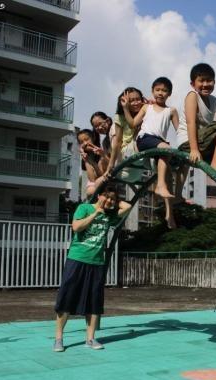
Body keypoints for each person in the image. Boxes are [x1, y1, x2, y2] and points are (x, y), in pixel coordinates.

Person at [53, 186, 132, 352]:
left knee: (94, 301)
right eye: (107, 197)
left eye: (113, 199)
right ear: (99, 195)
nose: (110, 201)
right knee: (66, 298)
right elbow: (76, 227)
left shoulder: (110, 215)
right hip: (77, 258)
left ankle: (90, 338)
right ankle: (59, 339)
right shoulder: (84, 208)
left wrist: (111, 200)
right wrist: (96, 212)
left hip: (96, 263)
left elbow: (128, 207)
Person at [120, 77, 179, 228]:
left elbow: (180, 131)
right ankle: (159, 185)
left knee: (168, 174)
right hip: (144, 139)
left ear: (169, 93)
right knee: (165, 149)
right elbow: (133, 124)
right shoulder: (147, 108)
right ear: (152, 91)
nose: (160, 93)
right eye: (157, 90)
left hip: (159, 143)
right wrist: (126, 108)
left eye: (164, 90)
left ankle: (169, 213)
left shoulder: (171, 111)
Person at [176, 63, 216, 197]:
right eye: (201, 81)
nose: (206, 84)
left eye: (209, 80)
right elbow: (191, 122)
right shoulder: (192, 96)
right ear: (193, 84)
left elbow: (207, 128)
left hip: (202, 143)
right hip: (188, 143)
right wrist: (194, 149)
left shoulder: (213, 100)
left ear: (214, 82)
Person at [105, 87, 144, 176]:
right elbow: (118, 142)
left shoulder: (145, 111)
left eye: (138, 99)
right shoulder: (120, 117)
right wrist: (111, 165)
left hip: (141, 151)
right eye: (131, 100)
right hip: (128, 150)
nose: (136, 103)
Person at [77, 129, 109, 197]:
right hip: (94, 183)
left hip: (105, 180)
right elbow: (92, 179)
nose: (85, 143)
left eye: (87, 139)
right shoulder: (86, 156)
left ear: (93, 138)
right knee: (90, 191)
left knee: (91, 191)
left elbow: (100, 174)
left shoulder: (101, 150)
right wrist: (86, 160)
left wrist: (102, 155)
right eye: (81, 142)